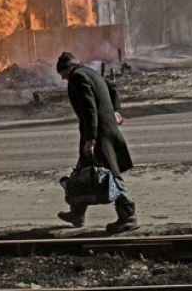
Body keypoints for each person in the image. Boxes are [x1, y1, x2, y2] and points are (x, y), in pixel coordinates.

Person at [55, 51, 139, 234]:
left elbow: (89, 110)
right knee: (83, 171)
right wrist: (115, 110)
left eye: (63, 75)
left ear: (68, 69)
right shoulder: (91, 72)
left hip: (98, 133)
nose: (64, 79)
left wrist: (91, 139)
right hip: (103, 129)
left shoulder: (77, 77)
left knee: (111, 173)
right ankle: (77, 213)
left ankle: (128, 216)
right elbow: (112, 86)